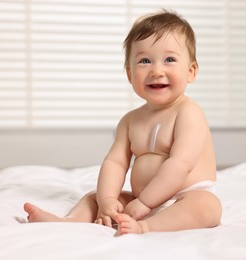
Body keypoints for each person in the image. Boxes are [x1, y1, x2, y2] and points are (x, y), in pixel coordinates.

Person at [24, 10, 222, 235]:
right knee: (94, 198)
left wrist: (146, 203)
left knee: (208, 207)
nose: (157, 70)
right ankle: (68, 221)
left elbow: (180, 164)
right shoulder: (130, 121)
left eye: (169, 59)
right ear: (130, 74)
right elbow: (115, 163)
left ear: (191, 71)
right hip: (140, 202)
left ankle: (146, 227)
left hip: (184, 196)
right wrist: (107, 200)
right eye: (145, 61)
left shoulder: (189, 112)